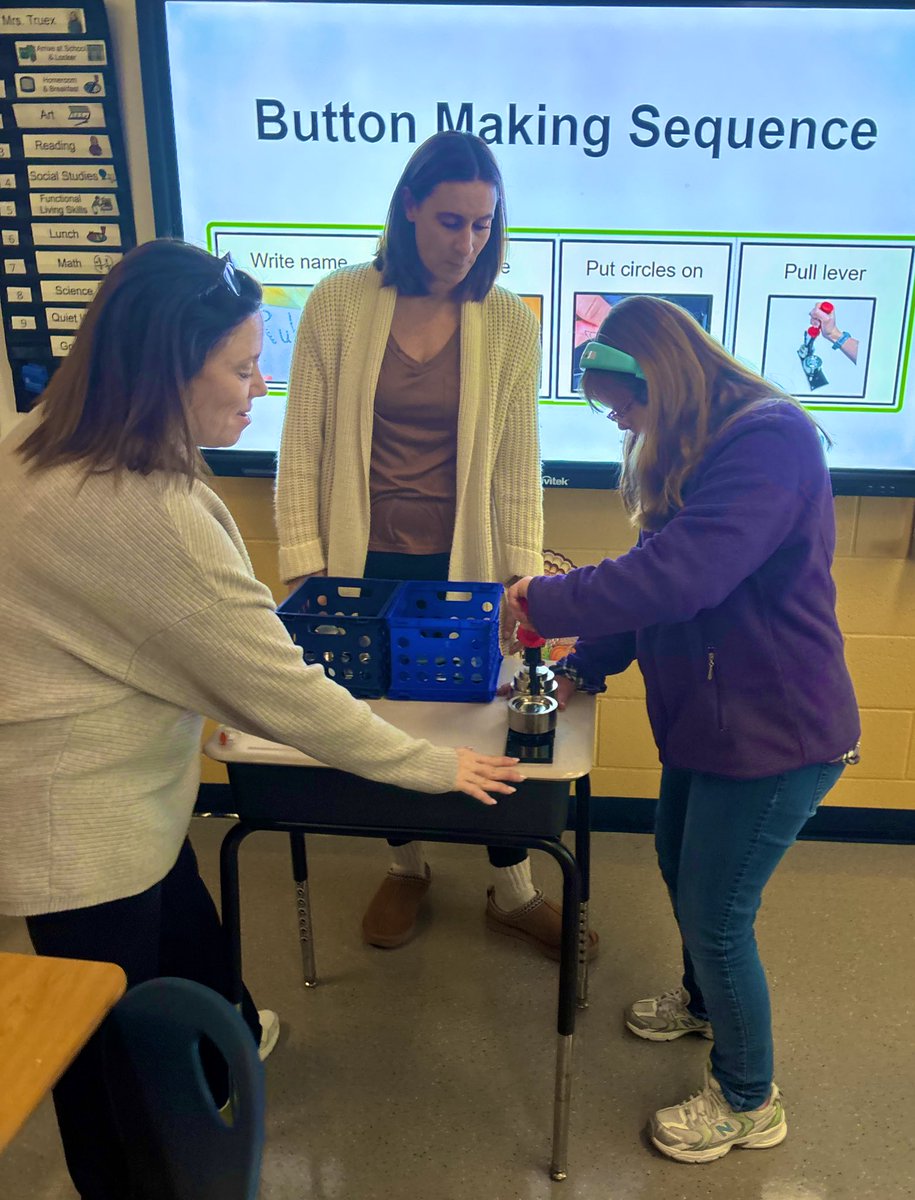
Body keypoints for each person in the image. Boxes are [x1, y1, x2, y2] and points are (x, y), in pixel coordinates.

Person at [0, 239, 524, 1200]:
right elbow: (281, 689)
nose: (259, 381)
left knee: (192, 951)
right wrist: (428, 765)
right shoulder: (139, 511)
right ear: (168, 368)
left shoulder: (32, 438)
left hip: (123, 806)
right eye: (241, 366)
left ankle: (218, 1049)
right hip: (80, 834)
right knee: (114, 1077)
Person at [505, 295, 860, 1163]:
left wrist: (540, 599)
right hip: (711, 721)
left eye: (622, 404)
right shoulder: (690, 444)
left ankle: (748, 1099)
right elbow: (656, 579)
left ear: (658, 373)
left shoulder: (766, 440)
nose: (619, 422)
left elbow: (680, 577)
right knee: (678, 867)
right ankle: (704, 1004)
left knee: (717, 911)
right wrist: (588, 658)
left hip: (777, 734)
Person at [276, 130, 598, 961]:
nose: (466, 243)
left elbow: (520, 459)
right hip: (359, 558)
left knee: (478, 715)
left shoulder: (505, 323)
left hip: (465, 559)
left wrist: (523, 576)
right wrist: (305, 560)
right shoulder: (339, 302)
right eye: (450, 221)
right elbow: (301, 443)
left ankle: (511, 886)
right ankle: (406, 865)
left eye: (483, 226)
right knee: (375, 708)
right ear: (409, 206)